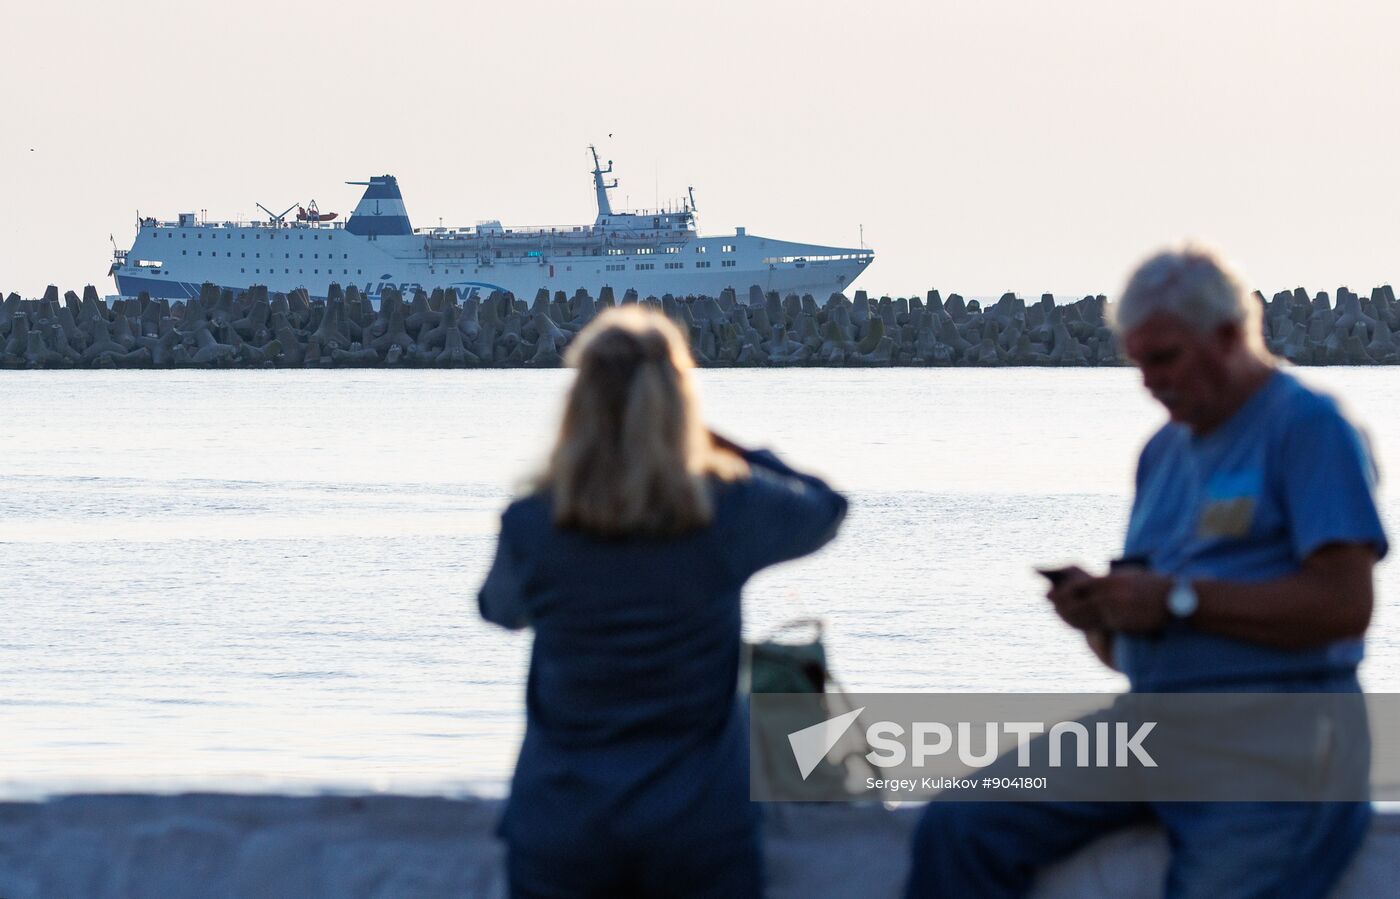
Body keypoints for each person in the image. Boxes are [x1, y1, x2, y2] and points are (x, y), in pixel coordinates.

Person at [907, 247, 1388, 898]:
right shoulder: (1161, 453)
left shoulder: (1308, 427)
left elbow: (1343, 604)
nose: (1149, 382)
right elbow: (1135, 644)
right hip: (1153, 728)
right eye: (1136, 362)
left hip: (1279, 746)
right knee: (961, 825)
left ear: (1227, 336)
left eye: (1164, 358)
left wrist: (1179, 600)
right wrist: (1099, 617)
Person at [479, 306, 847, 898]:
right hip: (698, 824)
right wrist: (728, 447)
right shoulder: (724, 513)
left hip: (563, 820)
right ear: (678, 403)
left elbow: (499, 611)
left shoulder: (534, 525)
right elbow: (827, 508)